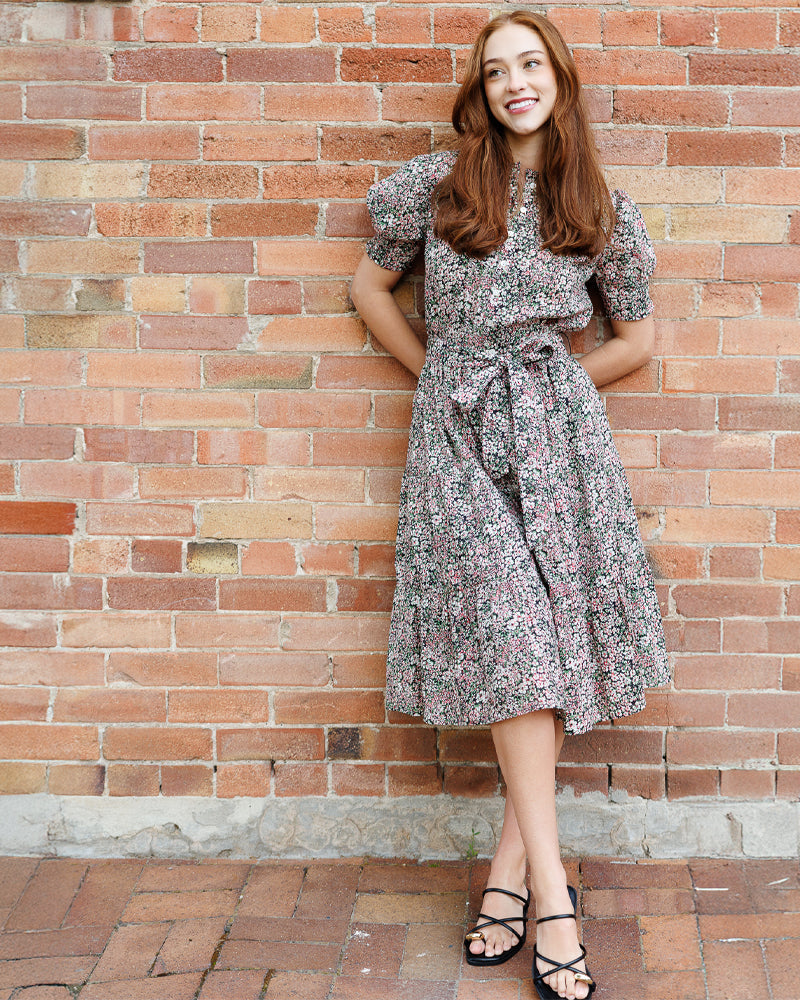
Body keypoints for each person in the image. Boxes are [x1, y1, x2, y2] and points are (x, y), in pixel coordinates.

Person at [350, 10, 670, 1000]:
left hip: (559, 452)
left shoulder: (597, 205)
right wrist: (438, 377)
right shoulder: (436, 186)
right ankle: (555, 898)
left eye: (530, 64)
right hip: (456, 452)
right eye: (495, 71)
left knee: (539, 647)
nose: (513, 82)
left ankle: (503, 876)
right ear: (480, 92)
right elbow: (368, 287)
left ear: (558, 80)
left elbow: (636, 339)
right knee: (515, 638)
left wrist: (553, 389)